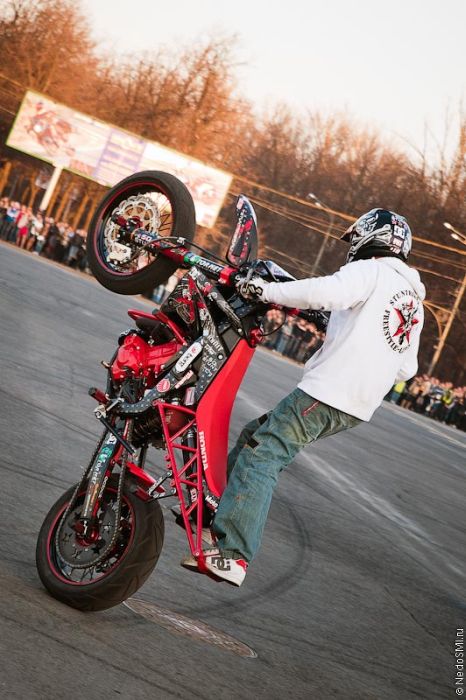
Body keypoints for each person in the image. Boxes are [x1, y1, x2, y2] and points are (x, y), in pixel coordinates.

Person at [182, 208, 425, 586]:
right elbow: (406, 368)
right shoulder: (412, 298)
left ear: (369, 237)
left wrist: (264, 290)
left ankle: (233, 553)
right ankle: (215, 511)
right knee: (254, 435)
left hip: (331, 390)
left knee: (264, 453)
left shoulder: (372, 271)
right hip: (357, 406)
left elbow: (323, 292)